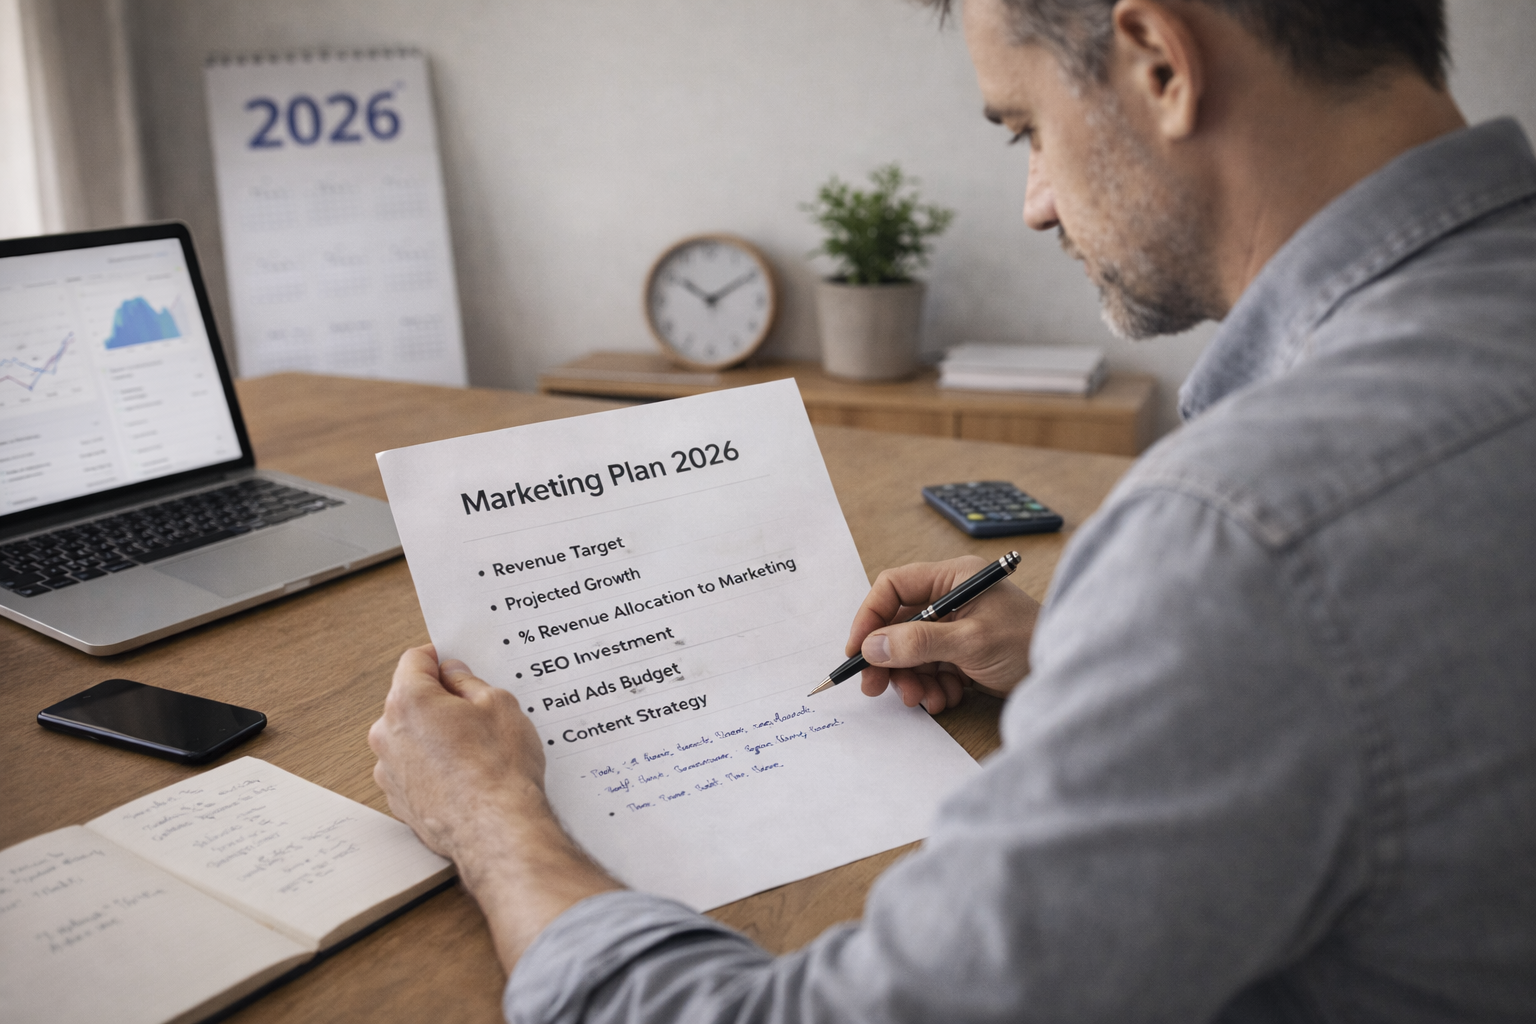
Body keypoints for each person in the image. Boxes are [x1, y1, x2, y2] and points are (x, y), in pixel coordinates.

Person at [368, 0, 1536, 1019]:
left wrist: (487, 816)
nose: (1033, 202)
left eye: (1025, 128)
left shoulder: (1244, 537)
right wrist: (1109, 660)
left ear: (1161, 64)